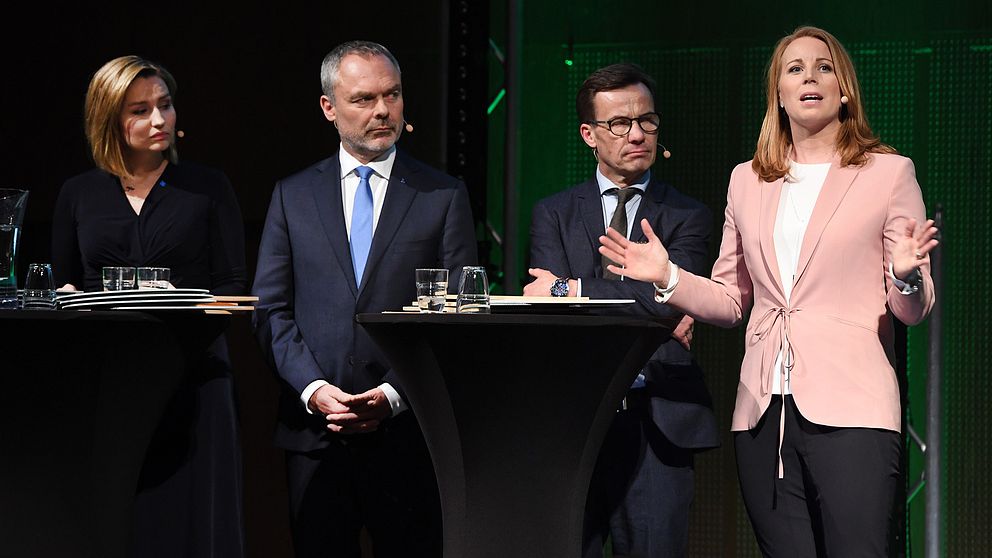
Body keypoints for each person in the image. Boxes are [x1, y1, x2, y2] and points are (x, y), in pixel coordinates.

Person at [599, 26, 938, 558]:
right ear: (778, 94)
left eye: (824, 67)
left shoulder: (888, 174)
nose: (810, 76)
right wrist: (668, 276)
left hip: (853, 410)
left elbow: (911, 311)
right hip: (762, 414)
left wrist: (905, 273)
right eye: (794, 68)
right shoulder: (748, 180)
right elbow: (732, 300)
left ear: (844, 88)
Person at [251, 41, 477, 558]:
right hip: (315, 433)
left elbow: (458, 313)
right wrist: (313, 388)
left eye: (392, 95)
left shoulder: (442, 195)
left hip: (409, 434)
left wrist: (394, 395)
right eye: (364, 99)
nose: (382, 110)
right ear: (329, 108)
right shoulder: (292, 194)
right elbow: (271, 311)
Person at [51, 56, 247, 557]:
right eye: (140, 110)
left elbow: (232, 289)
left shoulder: (207, 187)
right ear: (109, 119)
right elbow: (64, 288)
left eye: (165, 105)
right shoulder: (78, 194)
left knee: (191, 527)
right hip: (108, 386)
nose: (159, 120)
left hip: (194, 380)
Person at [523, 63, 719, 558]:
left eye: (647, 121)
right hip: (575, 421)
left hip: (658, 420)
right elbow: (547, 314)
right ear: (589, 134)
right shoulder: (554, 212)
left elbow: (665, 302)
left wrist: (567, 289)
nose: (637, 134)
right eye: (619, 124)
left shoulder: (687, 215)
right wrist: (648, 302)